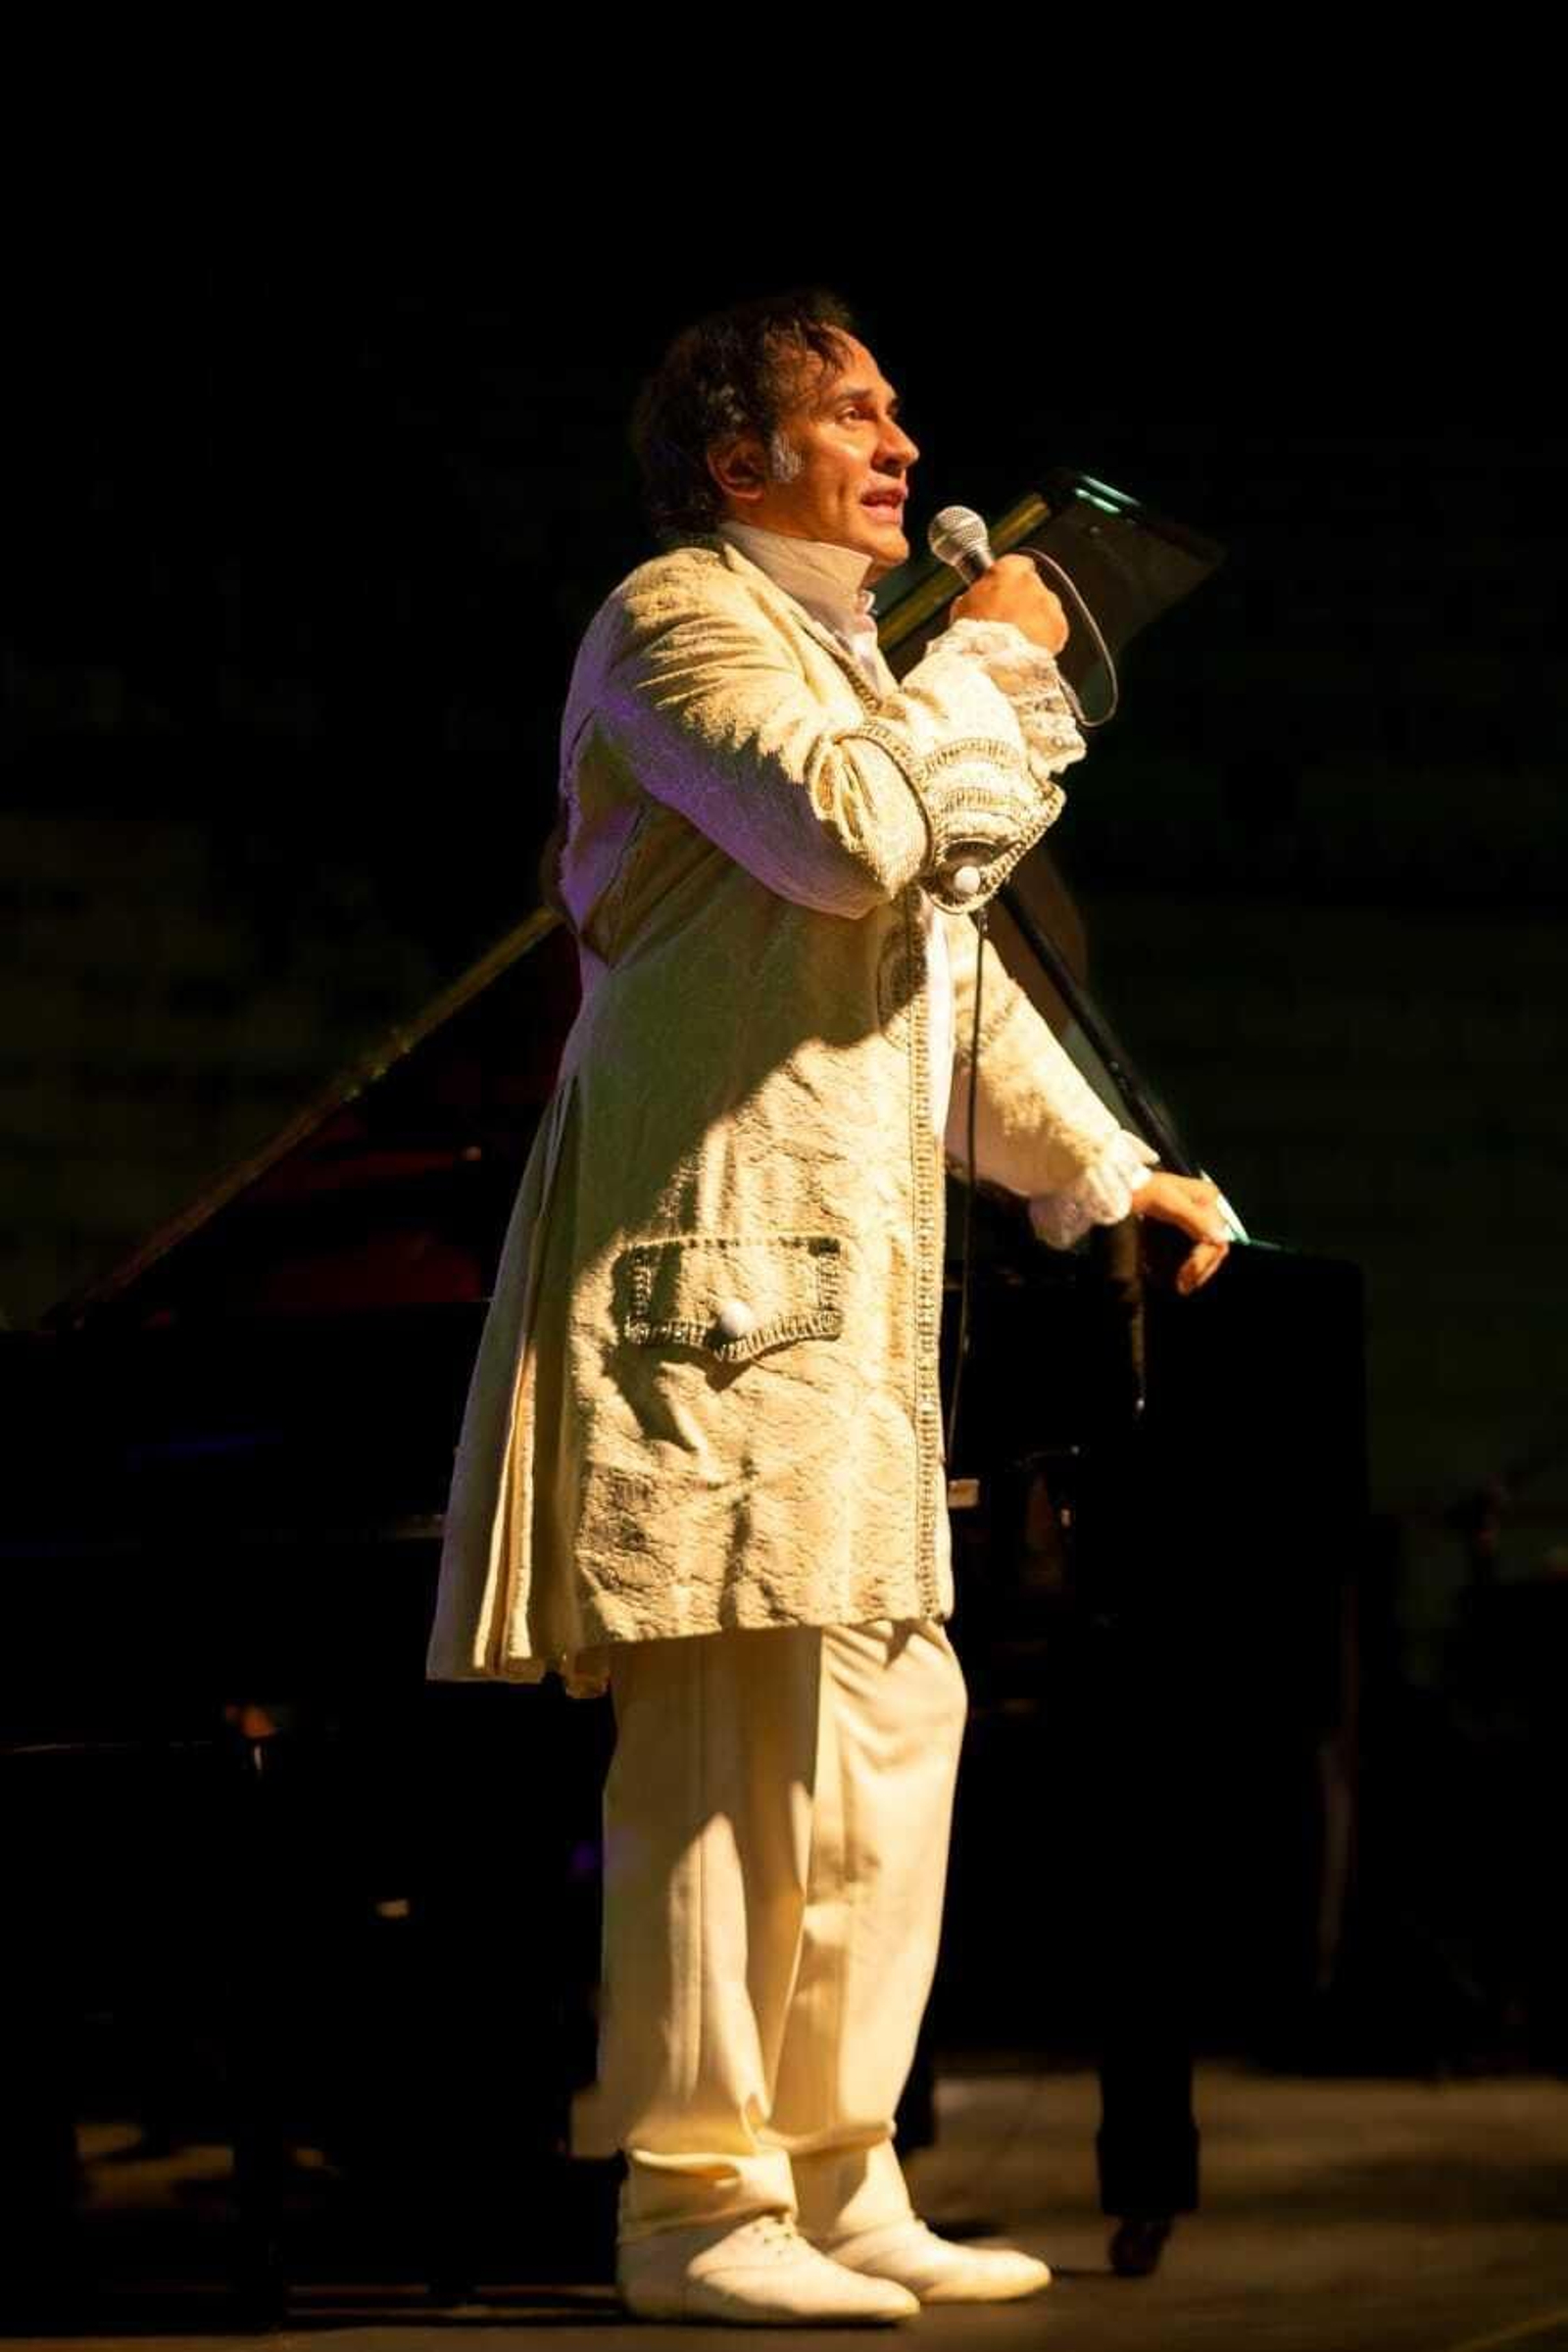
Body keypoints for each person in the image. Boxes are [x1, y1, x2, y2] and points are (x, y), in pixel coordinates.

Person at [425, 288, 1231, 2326]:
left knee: (886, 1730)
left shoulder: (844, 666)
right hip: (700, 1297)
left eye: (891, 410)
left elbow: (932, 977)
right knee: (722, 1759)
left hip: (851, 1316)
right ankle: (692, 2208)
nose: (895, 441)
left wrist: (1094, 1170)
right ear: (734, 462)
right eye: (844, 412)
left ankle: (834, 2163)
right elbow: (862, 842)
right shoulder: (672, 626)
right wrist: (993, 664)